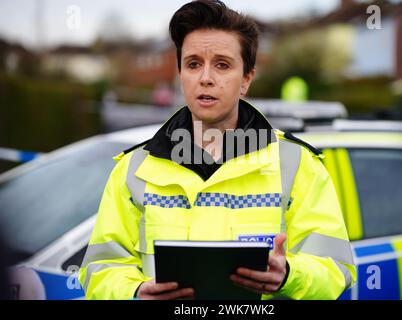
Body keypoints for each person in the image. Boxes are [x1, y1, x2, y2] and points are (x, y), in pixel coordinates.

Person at [78, 0, 356, 300]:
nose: (205, 77)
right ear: (180, 74)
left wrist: (289, 275)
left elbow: (335, 269)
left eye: (222, 65)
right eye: (193, 64)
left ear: (246, 79)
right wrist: (134, 292)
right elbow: (100, 268)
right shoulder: (134, 169)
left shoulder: (297, 165)